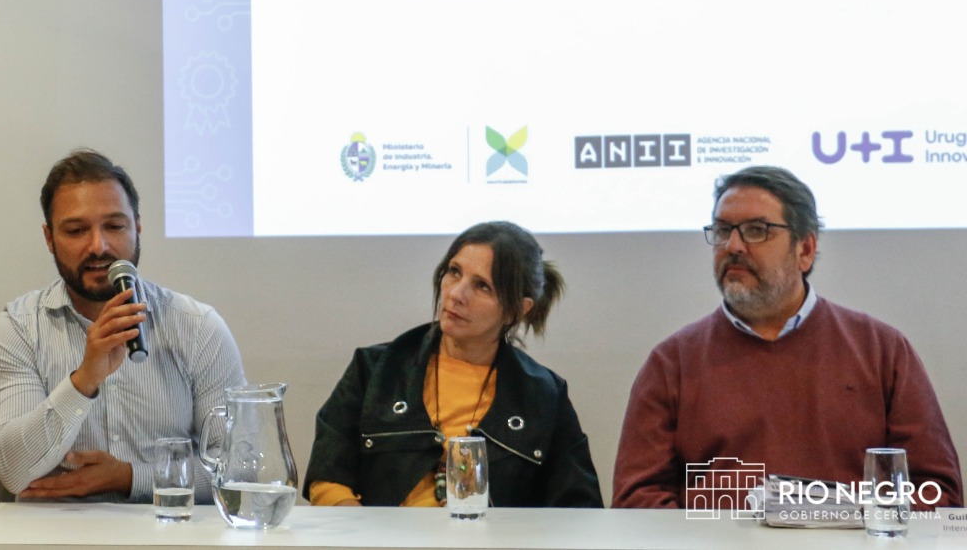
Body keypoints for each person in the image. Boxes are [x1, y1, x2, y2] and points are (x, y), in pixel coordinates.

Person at [613, 166, 963, 509]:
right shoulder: (672, 362)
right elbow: (636, 499)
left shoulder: (881, 350)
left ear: (805, 249)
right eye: (722, 230)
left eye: (756, 230)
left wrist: (851, 521)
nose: (733, 245)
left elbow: (938, 492)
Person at [0, 149, 246, 502]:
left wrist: (130, 477)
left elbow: (239, 471)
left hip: (166, 528)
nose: (99, 246)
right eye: (76, 230)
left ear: (137, 227)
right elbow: (14, 470)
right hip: (55, 530)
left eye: (114, 227)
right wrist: (83, 381)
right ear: (49, 238)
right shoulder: (19, 328)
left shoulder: (197, 327)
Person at [305, 221, 602, 508]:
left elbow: (578, 508)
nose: (456, 294)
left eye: (482, 286)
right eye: (454, 272)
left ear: (517, 310)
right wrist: (367, 532)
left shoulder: (543, 395)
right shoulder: (375, 370)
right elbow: (327, 478)